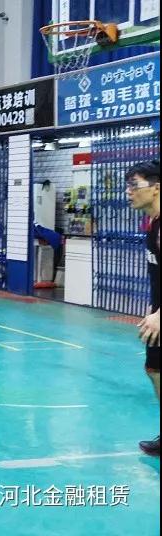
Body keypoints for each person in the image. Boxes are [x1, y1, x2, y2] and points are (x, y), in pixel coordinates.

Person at [127, 160, 160, 457]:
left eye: (134, 185)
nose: (129, 192)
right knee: (155, 369)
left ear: (156, 188)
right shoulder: (152, 224)